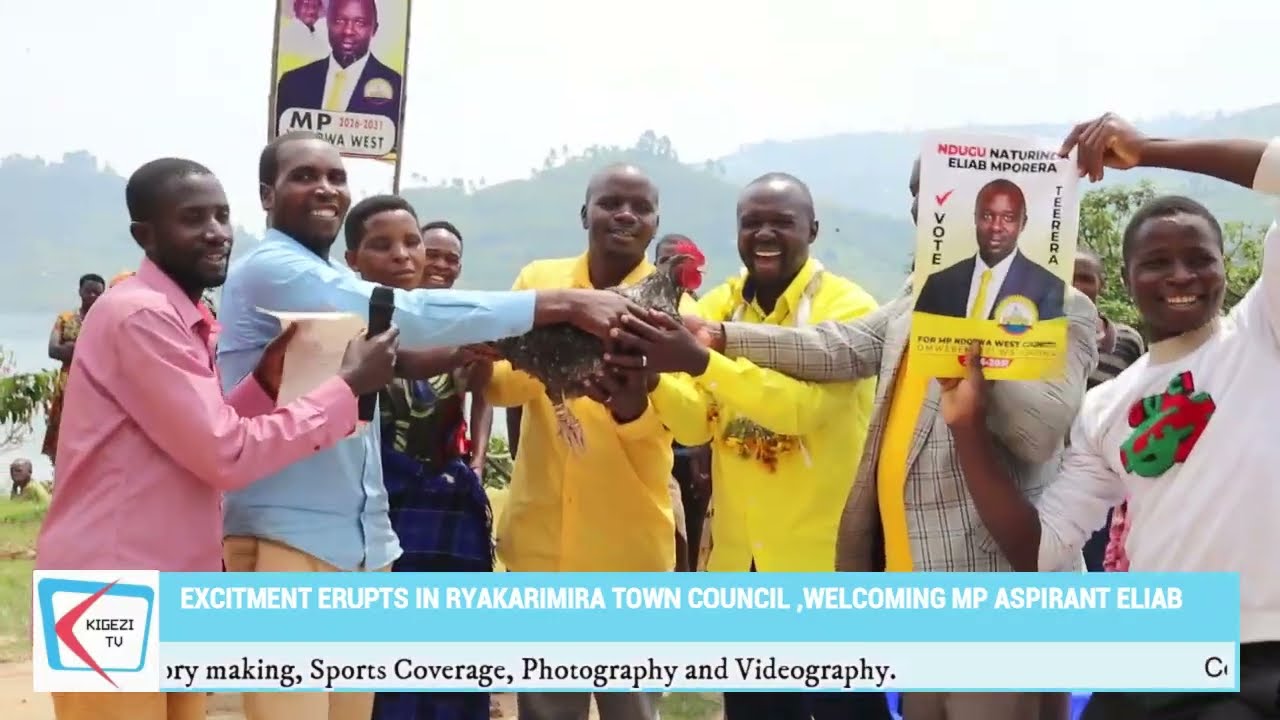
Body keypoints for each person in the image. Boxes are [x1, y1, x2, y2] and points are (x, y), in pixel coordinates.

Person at [615, 157, 1095, 720]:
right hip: (908, 580)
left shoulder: (1057, 307)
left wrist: (980, 348)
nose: (931, 207)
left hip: (989, 587)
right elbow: (838, 349)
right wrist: (716, 337)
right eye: (923, 195)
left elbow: (1037, 435)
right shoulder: (921, 298)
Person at [216, 134, 641, 720]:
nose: (325, 188)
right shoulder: (275, 269)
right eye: (304, 176)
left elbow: (402, 353)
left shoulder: (319, 273)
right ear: (267, 194)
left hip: (356, 541)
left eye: (336, 177)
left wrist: (509, 347)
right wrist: (559, 305)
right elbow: (403, 314)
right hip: (287, 537)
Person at [35, 157, 398, 720]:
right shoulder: (141, 316)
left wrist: (264, 384)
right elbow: (227, 454)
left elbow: (201, 434)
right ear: (145, 235)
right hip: (111, 585)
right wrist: (347, 387)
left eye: (222, 215)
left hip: (177, 580)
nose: (215, 232)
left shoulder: (185, 316)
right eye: (192, 218)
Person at [945, 113, 1280, 719]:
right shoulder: (1105, 406)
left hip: (1259, 655)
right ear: (1127, 278)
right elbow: (1040, 551)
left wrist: (1149, 150)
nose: (1180, 276)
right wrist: (968, 425)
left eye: (1198, 258)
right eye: (1157, 263)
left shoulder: (1263, 332)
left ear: (1226, 268)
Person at [638, 173, 890, 720]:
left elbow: (802, 411)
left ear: (813, 230)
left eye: (782, 222)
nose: (765, 234)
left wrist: (702, 360)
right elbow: (696, 427)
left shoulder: (849, 306)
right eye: (752, 222)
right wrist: (652, 380)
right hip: (741, 566)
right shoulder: (720, 303)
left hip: (826, 569)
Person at [483, 163, 699, 720]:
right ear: (586, 213)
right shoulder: (541, 282)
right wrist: (527, 355)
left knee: (632, 712)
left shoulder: (680, 313)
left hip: (628, 558)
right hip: (541, 551)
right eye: (610, 203)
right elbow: (501, 384)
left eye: (639, 208)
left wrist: (638, 399)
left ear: (655, 224)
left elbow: (697, 422)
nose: (624, 215)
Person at [341, 198, 495, 720]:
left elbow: (482, 395)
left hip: (445, 495)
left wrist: (472, 463)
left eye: (416, 246)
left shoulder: (466, 324)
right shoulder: (362, 325)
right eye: (388, 246)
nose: (421, 259)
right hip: (386, 491)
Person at [1071, 248, 1145, 571]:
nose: (1078, 286)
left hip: (1108, 481)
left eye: (1086, 277)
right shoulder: (1038, 340)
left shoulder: (1128, 340)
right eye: (1069, 277)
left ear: (1101, 283)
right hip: (1054, 480)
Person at [914, 178, 1067, 322]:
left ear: (1023, 223)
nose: (996, 227)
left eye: (1008, 218)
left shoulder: (1048, 287)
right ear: (975, 218)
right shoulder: (939, 284)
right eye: (987, 216)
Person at [274, 0, 403, 127]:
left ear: (374, 29)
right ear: (327, 24)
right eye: (339, 21)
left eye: (360, 23)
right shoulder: (292, 83)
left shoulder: (396, 87)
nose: (348, 31)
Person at [41, 273, 104, 463]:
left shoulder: (105, 320)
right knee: (64, 431)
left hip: (95, 385)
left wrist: (72, 349)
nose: (92, 296)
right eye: (88, 292)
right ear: (80, 292)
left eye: (97, 293)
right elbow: (53, 349)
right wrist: (84, 350)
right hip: (67, 384)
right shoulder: (66, 318)